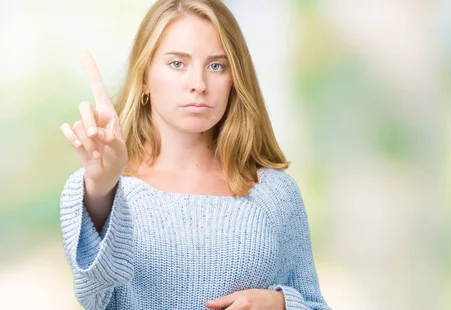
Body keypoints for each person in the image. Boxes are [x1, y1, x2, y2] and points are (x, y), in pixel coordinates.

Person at [58, 0, 330, 309]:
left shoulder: (275, 194)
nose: (199, 85)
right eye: (177, 63)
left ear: (235, 79)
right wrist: (102, 189)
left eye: (217, 66)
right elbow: (93, 297)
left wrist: (281, 305)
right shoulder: (96, 189)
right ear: (144, 76)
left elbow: (314, 304)